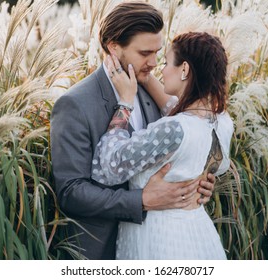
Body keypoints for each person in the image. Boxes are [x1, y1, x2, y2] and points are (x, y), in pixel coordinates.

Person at [50, 2, 215, 260]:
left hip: (159, 245)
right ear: (114, 47)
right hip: (103, 250)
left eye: (158, 52)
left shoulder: (154, 92)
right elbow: (71, 193)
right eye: (144, 53)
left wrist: (197, 181)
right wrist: (141, 200)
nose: (154, 63)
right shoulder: (74, 104)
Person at [92, 31, 233, 259]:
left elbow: (109, 167)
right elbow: (178, 110)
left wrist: (125, 103)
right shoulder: (222, 122)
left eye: (167, 62)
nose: (161, 68)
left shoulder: (173, 129)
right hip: (199, 236)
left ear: (185, 70)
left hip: (160, 240)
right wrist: (143, 74)